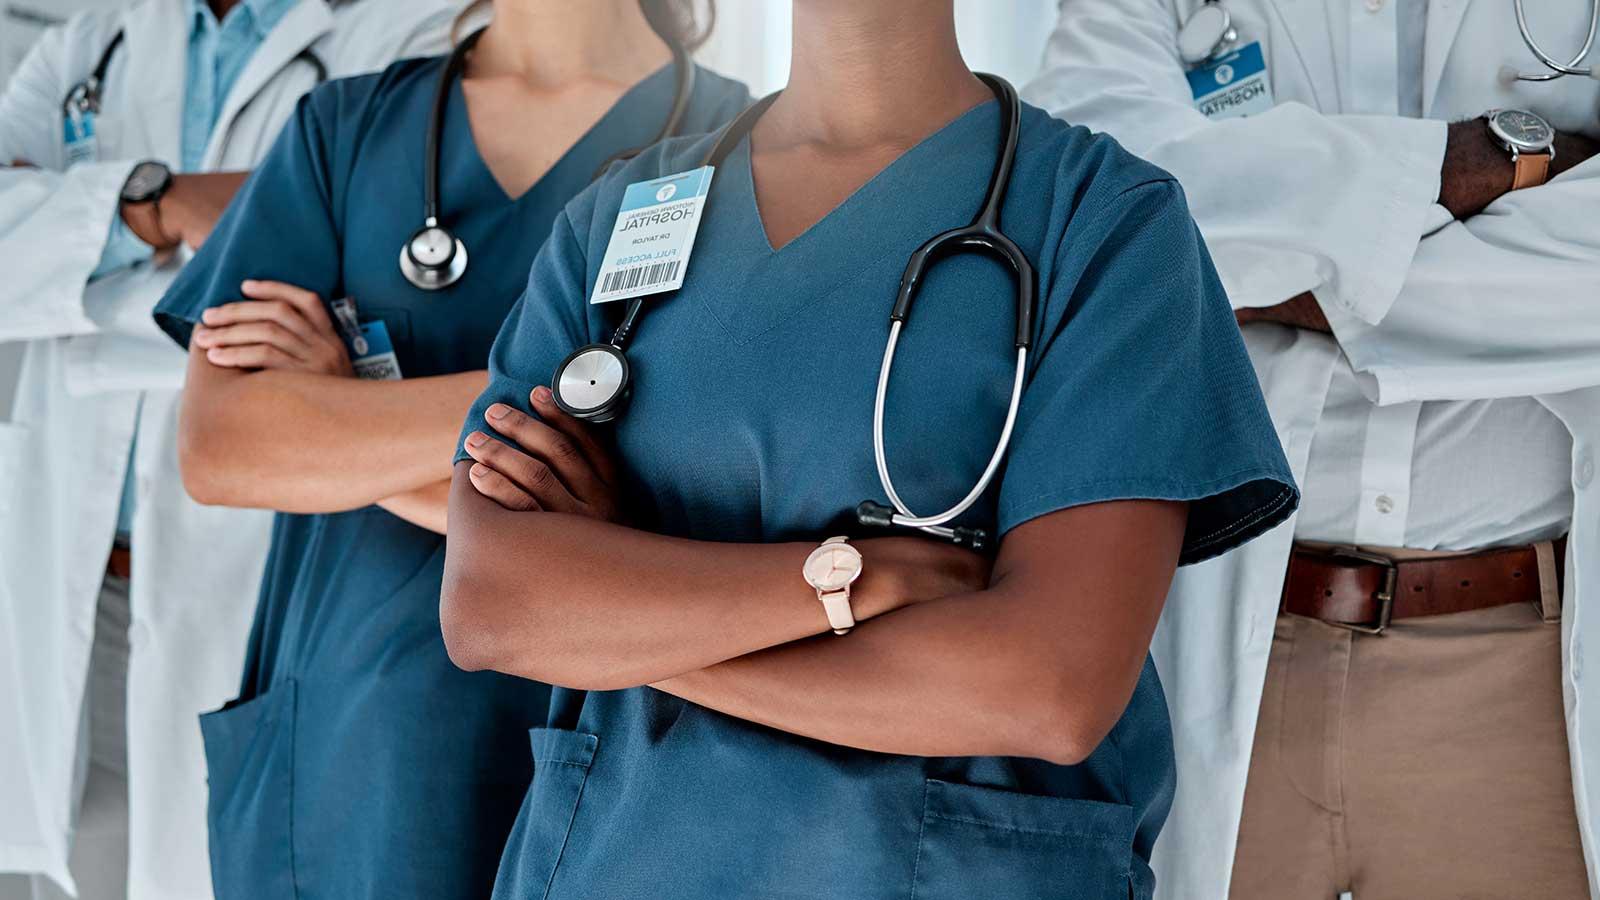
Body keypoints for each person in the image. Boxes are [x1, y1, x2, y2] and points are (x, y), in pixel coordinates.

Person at [439, 1, 1297, 897]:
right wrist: (850, 579)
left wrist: (614, 620)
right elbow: (494, 608)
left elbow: (1048, 689)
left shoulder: (1103, 221)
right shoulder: (617, 215)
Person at [148, 2, 749, 897]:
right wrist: (589, 395)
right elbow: (225, 447)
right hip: (349, 758)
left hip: (599, 757)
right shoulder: (346, 127)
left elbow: (699, 465)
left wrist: (347, 412)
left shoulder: (751, 149)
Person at [1026, 2, 1600, 897]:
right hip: (1228, 655)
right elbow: (1093, 202)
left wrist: (1269, 275)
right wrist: (1474, 163)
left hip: (1511, 682)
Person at [0, 1, 454, 898]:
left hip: (256, 575)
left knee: (226, 867)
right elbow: (245, 319)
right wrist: (159, 204)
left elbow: (343, 297)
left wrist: (75, 269)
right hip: (77, 581)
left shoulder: (406, 36)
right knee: (77, 862)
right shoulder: (86, 44)